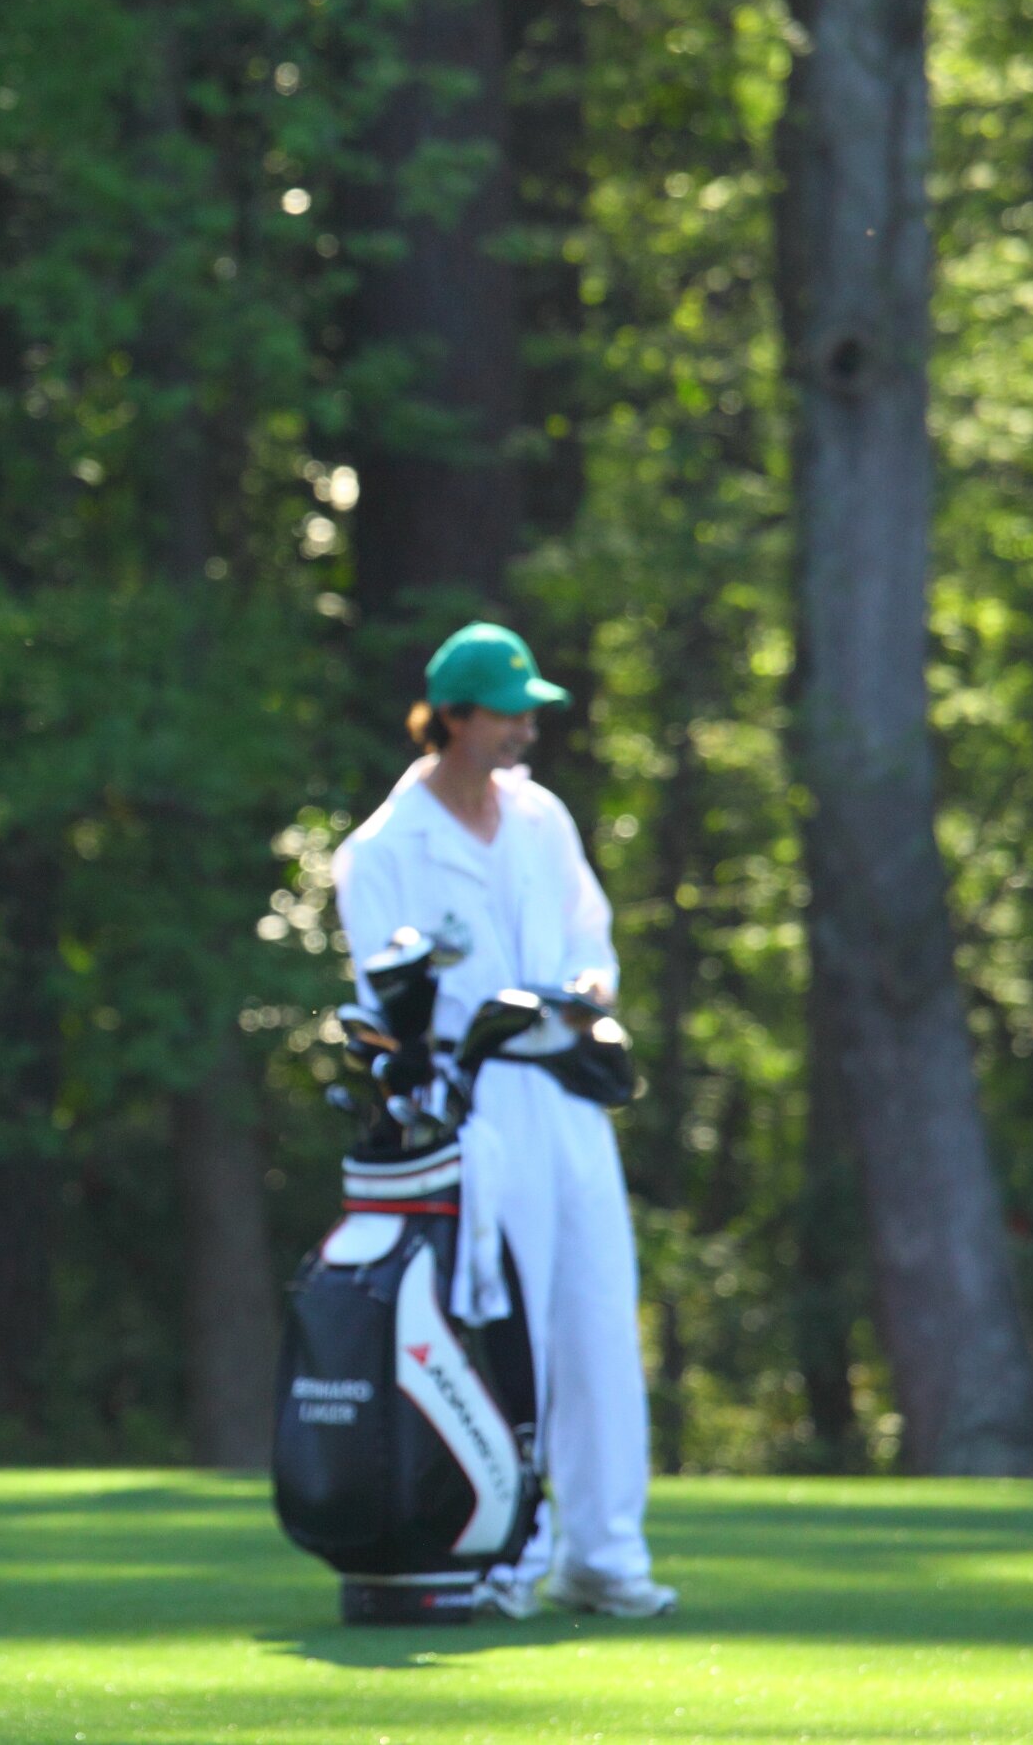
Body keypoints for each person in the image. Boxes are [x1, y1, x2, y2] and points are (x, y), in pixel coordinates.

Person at [330, 621, 676, 1620]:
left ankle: (604, 1556)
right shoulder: (383, 848)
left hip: (563, 1092)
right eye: (506, 713)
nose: (524, 729)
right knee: (497, 1328)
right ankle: (502, 1554)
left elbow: (590, 938)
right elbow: (383, 999)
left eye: (528, 713)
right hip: (469, 1108)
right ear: (453, 716)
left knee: (597, 1320)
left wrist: (586, 991)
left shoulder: (541, 817)